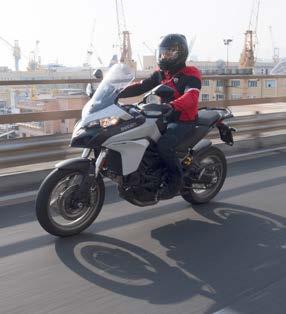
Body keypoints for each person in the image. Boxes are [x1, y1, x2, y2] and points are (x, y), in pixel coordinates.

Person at [118, 34, 202, 199]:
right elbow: (141, 87)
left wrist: (172, 105)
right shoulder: (161, 74)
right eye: (163, 53)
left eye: (170, 52)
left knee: (164, 145)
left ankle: (175, 182)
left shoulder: (191, 74)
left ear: (180, 53)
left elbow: (192, 96)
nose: (165, 56)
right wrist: (116, 92)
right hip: (163, 117)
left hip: (183, 120)